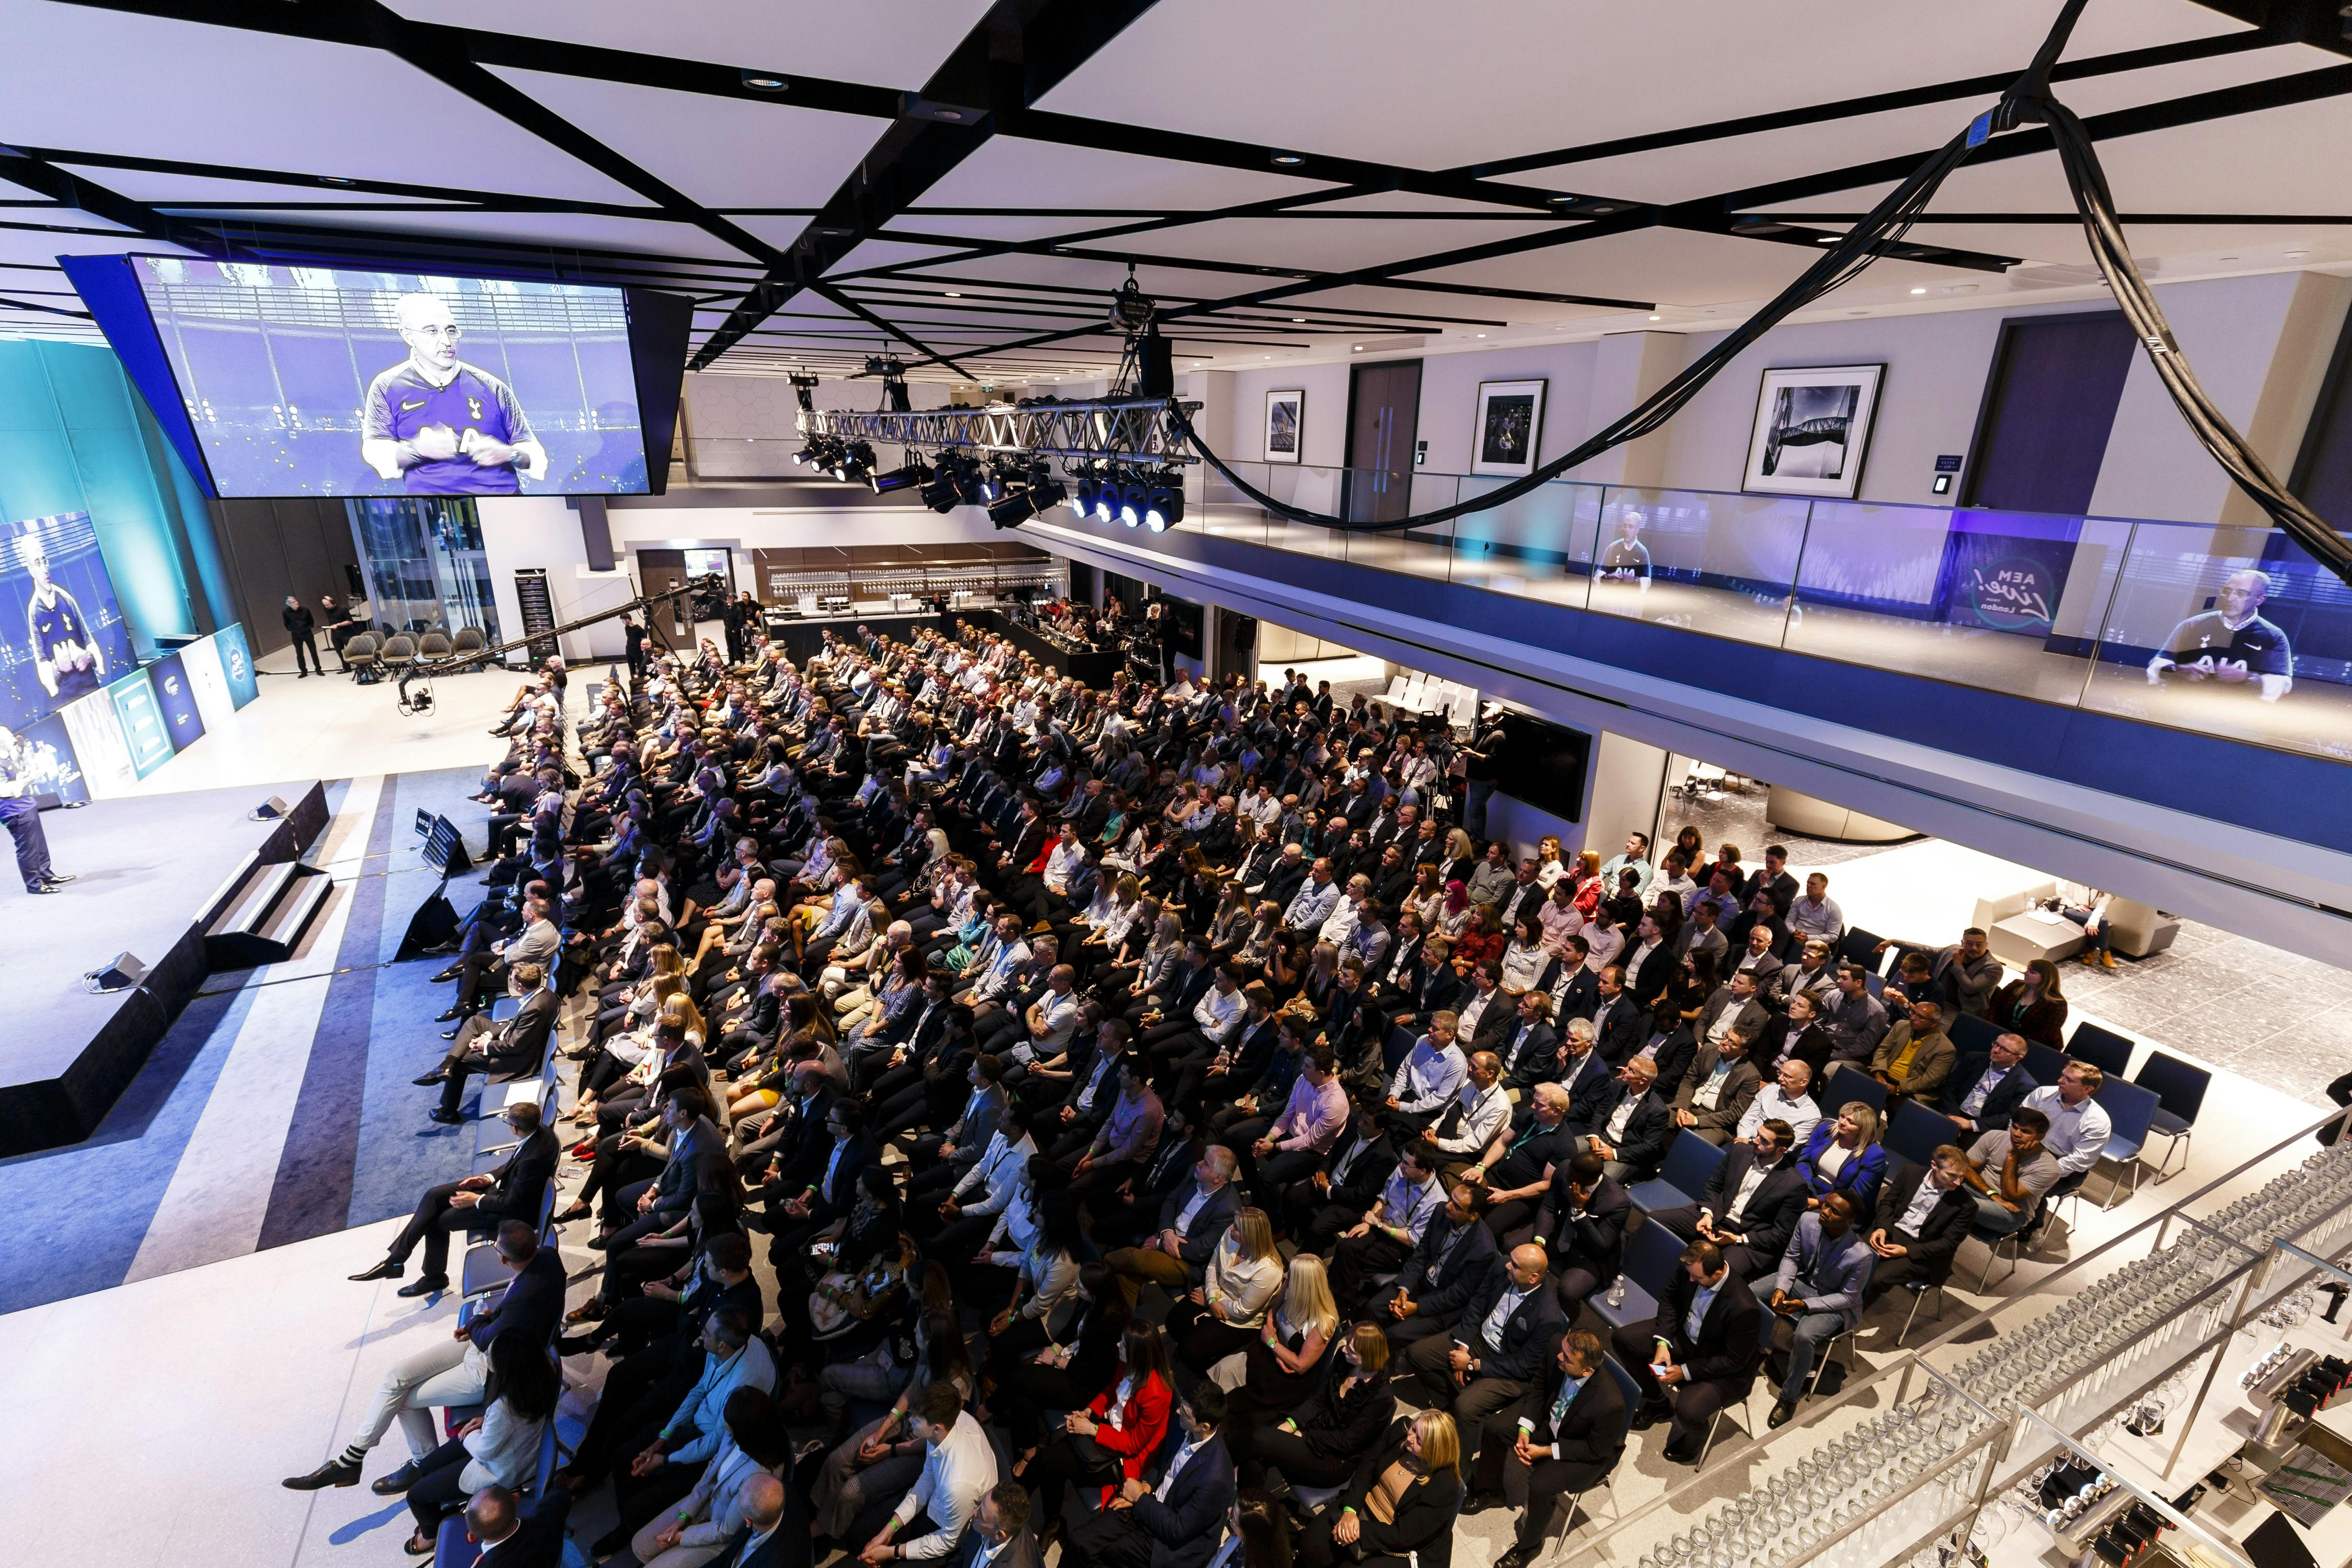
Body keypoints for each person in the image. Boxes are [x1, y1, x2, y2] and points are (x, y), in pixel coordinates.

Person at [286, 1220, 564, 1490]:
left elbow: (490, 1335)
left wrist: (478, 1321)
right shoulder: (548, 1258)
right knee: (397, 1376)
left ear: (503, 1259)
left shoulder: (525, 1297)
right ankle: (352, 1458)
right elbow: (512, 1313)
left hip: (492, 1367)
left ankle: (424, 1463)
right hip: (492, 1344)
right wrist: (488, 1320)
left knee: (403, 1401)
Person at [351, 1099, 557, 1295]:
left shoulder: (533, 1159)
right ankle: (395, 1260)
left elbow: (513, 1203)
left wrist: (474, 1200)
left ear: (515, 1128)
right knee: (434, 1195)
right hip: (503, 1191)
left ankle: (433, 1278)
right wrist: (487, 1179)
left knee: (436, 1223)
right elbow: (512, 1165)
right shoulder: (540, 1132)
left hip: (511, 1211)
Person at [361, 292, 548, 493]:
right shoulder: (387, 386)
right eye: (432, 331)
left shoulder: (492, 386)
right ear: (408, 336)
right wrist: (416, 450)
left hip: (503, 501)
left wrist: (509, 454)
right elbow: (374, 450)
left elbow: (535, 454)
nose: (447, 341)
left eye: (451, 331)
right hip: (431, 505)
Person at [396, 1331, 561, 1554]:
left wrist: (469, 1436)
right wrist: (488, 1422)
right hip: (512, 1446)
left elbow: (485, 1451)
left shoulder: (506, 1406)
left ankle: (431, 1535)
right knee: (426, 1467)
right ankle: (436, 1518)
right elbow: (515, 1422)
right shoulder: (543, 1374)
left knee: (415, 1496)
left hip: (501, 1467)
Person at [1484, 1329, 1627, 1568]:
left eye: (1568, 1359)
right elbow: (1539, 1388)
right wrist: (1525, 1430)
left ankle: (1529, 1547)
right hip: (1552, 1423)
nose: (1560, 1358)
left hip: (1584, 1450)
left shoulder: (1610, 1404)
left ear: (1587, 1371)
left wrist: (1546, 1451)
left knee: (1541, 1484)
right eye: (1562, 1351)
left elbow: (1594, 1450)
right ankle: (1489, 1492)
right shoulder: (1557, 1349)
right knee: (1496, 1428)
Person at [1064, 1382, 1236, 1568]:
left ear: (1204, 1427)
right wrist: (1146, 1484)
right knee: (1079, 1541)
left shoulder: (1216, 1478)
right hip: (1148, 1505)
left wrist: (1140, 1498)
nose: (1178, 1412)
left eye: (1186, 1412)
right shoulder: (1183, 1425)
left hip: (1169, 1542)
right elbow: (1162, 1462)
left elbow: (1178, 1530)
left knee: (1105, 1552)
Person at [1760, 1192, 1872, 1427]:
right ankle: (1746, 1351)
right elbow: (1791, 1257)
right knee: (1750, 1294)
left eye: (1834, 1211)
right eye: (1826, 1205)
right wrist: (1782, 1287)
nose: (1825, 1211)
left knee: (1804, 1335)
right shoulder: (1807, 1221)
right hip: (1803, 1283)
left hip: (1835, 1303)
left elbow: (1848, 1297)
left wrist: (1805, 1305)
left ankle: (1789, 1397)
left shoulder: (1861, 1255)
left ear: (1849, 1221)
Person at [1296, 1410, 1462, 1568]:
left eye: (1419, 1441)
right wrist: (1350, 1510)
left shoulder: (1445, 1485)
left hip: (1394, 1535)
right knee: (1311, 1547)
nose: (1410, 1438)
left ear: (1434, 1452)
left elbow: (1404, 1535)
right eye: (1414, 1429)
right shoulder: (1401, 1429)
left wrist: (1358, 1530)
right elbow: (1367, 1465)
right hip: (1362, 1507)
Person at [856, 1382, 998, 1563]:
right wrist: (888, 1531)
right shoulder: (945, 1426)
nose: (910, 1422)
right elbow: (927, 1480)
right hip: (939, 1502)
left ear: (937, 1427)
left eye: (917, 1420)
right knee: (860, 1536)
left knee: (877, 1551)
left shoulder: (958, 1484)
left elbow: (948, 1541)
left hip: (947, 1527)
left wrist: (892, 1552)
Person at [2148, 566, 2292, 702]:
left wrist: (2247, 678)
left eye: (2241, 593)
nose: (2230, 599)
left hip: (2236, 717)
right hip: (2181, 706)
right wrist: (2177, 670)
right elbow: (2157, 664)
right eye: (2226, 591)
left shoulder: (2273, 636)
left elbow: (2282, 683)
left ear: (2260, 600)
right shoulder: (2192, 625)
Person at [1863, 1144, 1977, 1302]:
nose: (1958, 1182)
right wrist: (1882, 1228)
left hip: (1921, 1250)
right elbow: (1888, 1203)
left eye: (1962, 1177)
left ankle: (1844, 1320)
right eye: (1952, 1175)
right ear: (1934, 1166)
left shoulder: (1967, 1205)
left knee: (1876, 1279)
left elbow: (1948, 1244)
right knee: (1853, 1256)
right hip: (1892, 1230)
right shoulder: (1909, 1172)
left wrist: (1906, 1251)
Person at [1957, 1105, 2060, 1236]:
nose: (2017, 1134)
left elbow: (2009, 1196)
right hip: (1978, 1191)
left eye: (2025, 1131)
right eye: (2015, 1127)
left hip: (2010, 1211)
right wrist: (1992, 1194)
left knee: (1959, 1202)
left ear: (2040, 1137)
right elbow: (1966, 1167)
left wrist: (2012, 1157)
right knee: (1939, 1181)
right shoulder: (1994, 1136)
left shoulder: (2049, 1168)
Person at [0, 725, 68, 894]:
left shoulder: (6, 758)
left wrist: (25, 777)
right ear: (1, 742)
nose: (15, 739)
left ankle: (46, 875)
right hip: (14, 811)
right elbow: (3, 790)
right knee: (28, 849)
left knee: (39, 845)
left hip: (25, 805)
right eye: (10, 738)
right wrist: (29, 780)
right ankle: (34, 885)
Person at [283, 593, 324, 677]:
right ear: (289, 604)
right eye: (294, 602)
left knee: (313, 652)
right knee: (299, 653)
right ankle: (304, 671)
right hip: (296, 635)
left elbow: (311, 621)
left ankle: (318, 669)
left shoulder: (305, 610)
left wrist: (307, 628)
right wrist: (295, 630)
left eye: (296, 601)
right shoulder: (285, 612)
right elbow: (287, 625)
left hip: (307, 633)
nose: (296, 603)